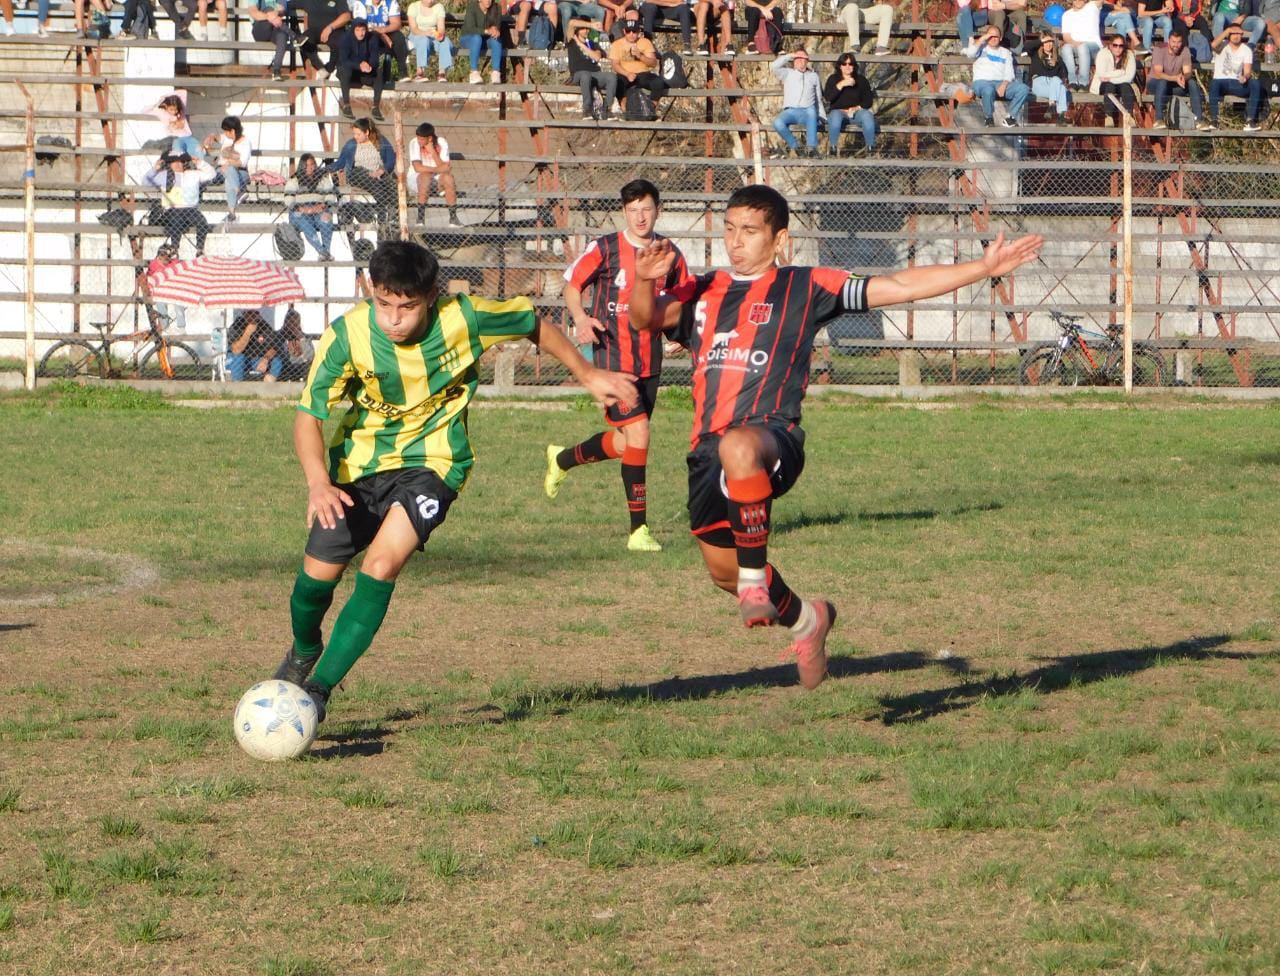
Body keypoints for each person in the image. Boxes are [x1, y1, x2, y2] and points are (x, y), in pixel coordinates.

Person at [626, 185, 1042, 689]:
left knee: (740, 457)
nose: (736, 241)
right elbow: (645, 319)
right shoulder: (705, 290)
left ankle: (756, 580)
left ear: (779, 239)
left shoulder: (808, 286)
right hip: (705, 453)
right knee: (721, 574)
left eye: (750, 231)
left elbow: (898, 286)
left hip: (771, 438)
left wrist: (982, 269)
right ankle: (807, 620)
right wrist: (645, 282)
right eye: (730, 229)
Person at [270, 240, 637, 722]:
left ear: (431, 297)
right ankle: (303, 649)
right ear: (370, 291)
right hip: (354, 472)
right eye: (384, 304)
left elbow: (533, 324)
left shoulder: (464, 319)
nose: (394, 319)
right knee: (314, 581)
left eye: (407, 307)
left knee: (381, 566)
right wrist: (318, 483)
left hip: (435, 465)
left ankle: (317, 692)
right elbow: (308, 416)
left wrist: (586, 373)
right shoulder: (348, 336)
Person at [549, 179, 690, 552]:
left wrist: (678, 334)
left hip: (650, 360)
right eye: (633, 210)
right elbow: (572, 285)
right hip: (611, 357)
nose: (640, 216)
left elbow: (682, 298)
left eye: (646, 208)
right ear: (624, 212)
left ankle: (562, 458)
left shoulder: (669, 253)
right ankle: (638, 531)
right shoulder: (606, 247)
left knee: (628, 443)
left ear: (658, 209)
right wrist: (579, 318)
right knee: (641, 435)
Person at [142, 150, 217, 256]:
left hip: (190, 210)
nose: (177, 164)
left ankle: (200, 249)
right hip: (171, 210)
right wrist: (155, 169)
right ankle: (174, 247)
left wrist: (200, 163)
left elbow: (212, 174)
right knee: (176, 219)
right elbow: (145, 182)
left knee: (202, 222)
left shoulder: (193, 174)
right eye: (174, 161)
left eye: (180, 161)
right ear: (169, 164)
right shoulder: (164, 175)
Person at [329, 116, 399, 226]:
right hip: (358, 173)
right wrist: (323, 170)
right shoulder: (352, 144)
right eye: (354, 134)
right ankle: (382, 218)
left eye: (358, 134)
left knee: (392, 185)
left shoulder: (381, 141)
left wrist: (382, 170)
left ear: (366, 132)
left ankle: (393, 215)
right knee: (376, 186)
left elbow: (391, 160)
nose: (355, 136)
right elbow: (340, 163)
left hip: (377, 173)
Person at [965, 23, 1029, 126]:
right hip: (982, 82)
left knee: (1023, 89)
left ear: (1001, 38)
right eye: (991, 36)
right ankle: (988, 118)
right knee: (988, 89)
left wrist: (1004, 85)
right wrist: (983, 38)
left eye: (996, 36)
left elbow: (1010, 73)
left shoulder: (1006, 53)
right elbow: (970, 53)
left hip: (999, 83)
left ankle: (1010, 117)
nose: (993, 38)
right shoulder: (981, 49)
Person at [1147, 28, 1210, 128]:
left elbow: (1188, 72)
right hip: (1155, 83)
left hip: (1174, 84)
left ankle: (1199, 120)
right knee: (1162, 81)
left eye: (1179, 42)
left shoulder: (1185, 50)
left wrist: (1183, 77)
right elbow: (1158, 73)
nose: (1176, 45)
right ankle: (1159, 119)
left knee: (1192, 82)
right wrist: (1175, 78)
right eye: (1173, 42)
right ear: (1168, 41)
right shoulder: (1159, 49)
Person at [1207, 24, 1264, 129]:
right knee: (1214, 83)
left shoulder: (1246, 50)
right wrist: (1227, 31)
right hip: (1221, 82)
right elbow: (1213, 45)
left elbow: (1247, 71)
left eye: (1239, 33)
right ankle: (1214, 120)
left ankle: (1250, 120)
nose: (1236, 36)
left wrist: (1245, 77)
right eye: (1233, 33)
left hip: (1236, 83)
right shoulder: (1222, 45)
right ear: (1229, 34)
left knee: (1255, 83)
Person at [770, 48, 822, 155]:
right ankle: (796, 146)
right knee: (777, 123)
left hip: (808, 112)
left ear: (807, 61)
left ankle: (812, 148)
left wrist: (822, 116)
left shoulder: (814, 76)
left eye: (803, 58)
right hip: (791, 111)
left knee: (811, 111)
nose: (800, 60)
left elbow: (818, 98)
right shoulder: (788, 73)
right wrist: (790, 55)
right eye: (797, 58)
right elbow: (774, 66)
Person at [201, 115, 252, 225]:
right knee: (220, 175)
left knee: (230, 174)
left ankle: (231, 212)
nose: (225, 133)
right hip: (221, 171)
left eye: (226, 131)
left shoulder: (245, 142)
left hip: (240, 172)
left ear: (232, 131)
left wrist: (228, 163)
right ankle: (238, 194)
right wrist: (211, 137)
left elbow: (242, 162)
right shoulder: (227, 137)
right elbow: (218, 138)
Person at [823, 51, 877, 155]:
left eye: (850, 63)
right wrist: (841, 84)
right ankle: (833, 147)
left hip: (856, 113)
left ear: (854, 66)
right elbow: (828, 97)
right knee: (835, 117)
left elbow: (868, 101)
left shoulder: (861, 80)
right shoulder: (833, 79)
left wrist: (857, 107)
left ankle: (871, 147)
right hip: (838, 112)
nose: (847, 66)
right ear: (840, 66)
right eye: (844, 64)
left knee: (867, 116)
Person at [610, 12, 668, 106]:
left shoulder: (645, 42)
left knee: (658, 82)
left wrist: (640, 56)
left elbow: (653, 63)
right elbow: (615, 64)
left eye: (634, 31)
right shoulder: (617, 44)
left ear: (638, 31)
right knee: (617, 83)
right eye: (628, 31)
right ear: (624, 31)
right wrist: (627, 73)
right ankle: (624, 109)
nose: (631, 34)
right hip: (625, 74)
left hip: (643, 74)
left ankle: (651, 107)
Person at [408, 122, 461, 226]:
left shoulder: (441, 143)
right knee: (425, 177)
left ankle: (453, 219)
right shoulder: (414, 142)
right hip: (417, 179)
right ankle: (420, 219)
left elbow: (446, 170)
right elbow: (418, 168)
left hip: (437, 178)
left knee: (449, 179)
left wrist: (432, 151)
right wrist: (438, 169)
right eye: (418, 138)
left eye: (422, 139)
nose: (419, 141)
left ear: (430, 139)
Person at [287, 153, 336, 260]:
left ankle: (326, 250)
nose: (311, 167)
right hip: (300, 210)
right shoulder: (294, 180)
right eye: (308, 165)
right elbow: (289, 200)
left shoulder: (323, 179)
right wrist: (303, 209)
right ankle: (322, 251)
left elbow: (331, 196)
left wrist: (322, 206)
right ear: (302, 166)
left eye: (313, 164)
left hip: (319, 208)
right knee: (304, 222)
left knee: (326, 219)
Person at [336, 18, 388, 119]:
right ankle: (346, 105)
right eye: (358, 30)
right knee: (345, 70)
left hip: (365, 71)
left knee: (379, 72)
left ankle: (376, 106)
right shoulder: (345, 38)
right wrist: (358, 65)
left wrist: (369, 65)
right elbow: (343, 60)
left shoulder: (372, 38)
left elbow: (375, 58)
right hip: (350, 72)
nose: (361, 33)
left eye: (363, 30)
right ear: (353, 30)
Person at [567, 21, 618, 120]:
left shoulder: (592, 43)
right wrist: (591, 25)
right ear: (577, 31)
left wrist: (581, 45)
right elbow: (572, 23)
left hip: (594, 74)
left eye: (587, 29)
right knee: (585, 75)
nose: (586, 30)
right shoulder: (571, 42)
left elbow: (597, 57)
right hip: (578, 74)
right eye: (583, 28)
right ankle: (587, 109)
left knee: (611, 76)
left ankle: (607, 109)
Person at [351, 0, 410, 80]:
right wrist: (381, 34)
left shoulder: (391, 2)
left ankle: (402, 73)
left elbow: (396, 23)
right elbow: (360, 26)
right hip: (367, 32)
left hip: (386, 31)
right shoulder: (361, 3)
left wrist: (382, 31)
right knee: (372, 38)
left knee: (399, 38)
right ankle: (367, 73)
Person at [248, 0, 305, 82]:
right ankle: (294, 36)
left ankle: (276, 71)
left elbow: (282, 9)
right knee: (268, 9)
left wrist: (273, 15)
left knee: (282, 36)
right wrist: (269, 16)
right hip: (260, 30)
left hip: (275, 28)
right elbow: (254, 13)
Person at [295, 0, 351, 79]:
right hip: (314, 31)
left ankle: (329, 68)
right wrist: (273, 12)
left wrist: (330, 27)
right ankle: (321, 68)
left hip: (334, 30)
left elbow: (346, 16)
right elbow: (287, 5)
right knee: (303, 40)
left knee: (341, 41)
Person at [1091, 34, 1138, 125]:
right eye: (1115, 45)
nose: (1118, 48)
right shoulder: (1103, 53)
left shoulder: (1129, 55)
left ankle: (1129, 116)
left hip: (1121, 82)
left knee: (1126, 87)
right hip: (1103, 84)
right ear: (1110, 45)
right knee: (1110, 86)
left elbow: (1129, 77)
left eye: (1121, 46)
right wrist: (1120, 72)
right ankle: (1109, 117)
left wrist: (1111, 78)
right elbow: (1101, 74)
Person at [227, 309, 283, 381]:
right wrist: (248, 332)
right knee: (239, 358)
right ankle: (237, 386)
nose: (253, 316)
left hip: (256, 358)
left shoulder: (263, 325)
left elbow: (274, 347)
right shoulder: (238, 324)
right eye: (250, 313)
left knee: (277, 361)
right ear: (244, 314)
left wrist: (266, 358)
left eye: (256, 313)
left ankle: (269, 386)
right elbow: (236, 350)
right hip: (235, 358)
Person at [148, 91, 205, 159]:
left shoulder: (181, 112)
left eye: (176, 110)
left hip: (187, 137)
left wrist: (167, 96)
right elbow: (145, 110)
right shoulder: (162, 113)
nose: (174, 112)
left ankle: (199, 165)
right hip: (175, 140)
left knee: (200, 151)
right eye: (171, 109)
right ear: (166, 106)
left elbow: (183, 92)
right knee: (179, 154)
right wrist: (162, 100)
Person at [1029, 31, 1072, 120]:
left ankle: (1052, 106)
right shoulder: (1035, 54)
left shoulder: (1057, 58)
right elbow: (1026, 47)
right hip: (1039, 84)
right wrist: (1041, 41)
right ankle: (1061, 115)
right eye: (1045, 42)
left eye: (1050, 42)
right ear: (1041, 42)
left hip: (1053, 85)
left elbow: (1064, 74)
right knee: (1061, 90)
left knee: (1060, 85)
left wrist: (1056, 64)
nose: (1048, 44)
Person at [1061, 0, 1104, 89]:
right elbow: (1066, 36)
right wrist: (1074, 43)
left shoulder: (1092, 6)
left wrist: (1079, 44)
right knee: (1065, 48)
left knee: (1082, 46)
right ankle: (1072, 81)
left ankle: (1084, 82)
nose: (1078, 1)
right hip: (1076, 45)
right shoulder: (1067, 15)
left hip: (1094, 46)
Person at [406, 0, 453, 80]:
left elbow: (441, 28)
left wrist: (440, 35)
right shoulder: (413, 7)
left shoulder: (439, 7)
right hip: (416, 35)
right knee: (423, 40)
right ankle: (420, 71)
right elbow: (413, 29)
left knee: (445, 41)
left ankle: (442, 72)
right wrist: (425, 33)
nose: (430, 1)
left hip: (433, 35)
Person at [460, 0, 504, 83]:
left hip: (485, 40)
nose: (488, 1)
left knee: (496, 40)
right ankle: (474, 72)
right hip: (468, 38)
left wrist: (496, 31)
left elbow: (496, 26)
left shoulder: (497, 8)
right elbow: (470, 28)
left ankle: (496, 72)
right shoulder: (472, 6)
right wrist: (486, 31)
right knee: (477, 38)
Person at [278, 308, 314, 381]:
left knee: (309, 366)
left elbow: (311, 356)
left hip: (301, 365)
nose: (292, 326)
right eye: (290, 322)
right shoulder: (279, 336)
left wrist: (301, 339)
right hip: (286, 365)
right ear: (285, 323)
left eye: (295, 323)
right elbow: (280, 354)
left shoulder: (303, 337)